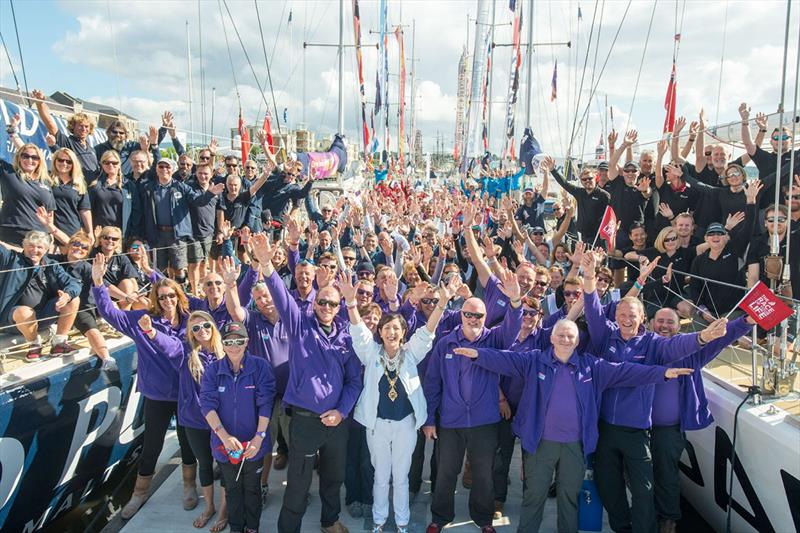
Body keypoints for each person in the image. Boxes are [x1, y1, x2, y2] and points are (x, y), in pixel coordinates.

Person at [451, 320, 697, 533]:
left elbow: (627, 371)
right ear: (551, 338)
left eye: (570, 336)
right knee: (534, 497)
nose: (565, 339)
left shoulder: (592, 366)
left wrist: (662, 373)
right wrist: (479, 355)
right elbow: (507, 360)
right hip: (540, 444)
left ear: (578, 341)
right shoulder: (535, 361)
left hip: (574, 446)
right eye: (560, 335)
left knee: (569, 498)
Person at [580, 252, 731, 533]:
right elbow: (591, 308)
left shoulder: (652, 344)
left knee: (644, 491)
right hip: (604, 431)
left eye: (632, 316)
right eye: (622, 314)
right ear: (615, 316)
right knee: (610, 489)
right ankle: (622, 528)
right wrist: (588, 276)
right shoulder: (604, 337)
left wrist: (702, 337)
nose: (626, 319)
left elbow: (675, 347)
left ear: (642, 319)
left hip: (637, 432)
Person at [251, 233, 361, 533]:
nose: (326, 306)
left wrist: (342, 411)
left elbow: (354, 381)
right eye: (322, 301)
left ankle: (329, 521)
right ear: (314, 304)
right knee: (298, 484)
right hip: (304, 422)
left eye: (332, 303)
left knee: (333, 477)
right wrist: (267, 266)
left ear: (339, 308)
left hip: (336, 423)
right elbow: (283, 300)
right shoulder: (300, 325)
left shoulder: (347, 336)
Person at [341, 272, 456, 533]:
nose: (391, 332)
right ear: (380, 332)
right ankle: (380, 522)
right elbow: (359, 333)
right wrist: (350, 303)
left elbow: (428, 332)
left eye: (397, 328)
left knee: (401, 477)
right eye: (387, 328)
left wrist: (442, 303)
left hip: (405, 424)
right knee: (381, 477)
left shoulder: (411, 353)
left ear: (404, 332)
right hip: (377, 424)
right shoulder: (371, 354)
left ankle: (402, 522)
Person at [90, 253, 197, 519]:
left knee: (187, 444)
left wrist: (152, 271)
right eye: (162, 297)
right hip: (158, 395)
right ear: (156, 300)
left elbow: (185, 349)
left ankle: (189, 486)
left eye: (172, 296)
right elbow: (109, 313)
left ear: (179, 297)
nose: (168, 301)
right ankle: (139, 492)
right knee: (152, 446)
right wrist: (98, 283)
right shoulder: (141, 320)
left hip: (186, 394)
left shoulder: (191, 322)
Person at [423, 271, 523, 533]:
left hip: (484, 422)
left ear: (485, 318)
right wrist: (430, 420)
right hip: (451, 421)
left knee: (483, 475)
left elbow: (512, 329)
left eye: (479, 315)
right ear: (461, 314)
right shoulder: (445, 344)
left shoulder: (494, 340)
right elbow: (433, 384)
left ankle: (483, 520)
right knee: (445, 473)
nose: (473, 319)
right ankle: (440, 518)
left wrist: (515, 302)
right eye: (469, 314)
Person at [649, 308, 752, 533]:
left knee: (666, 474)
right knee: (640, 475)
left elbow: (721, 338)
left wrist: (745, 321)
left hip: (668, 429)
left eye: (670, 322)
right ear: (649, 323)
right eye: (660, 321)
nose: (664, 326)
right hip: (635, 428)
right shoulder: (643, 346)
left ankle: (668, 518)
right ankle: (644, 517)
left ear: (679, 327)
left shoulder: (692, 352)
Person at [143, 310, 229, 531]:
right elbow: (168, 344)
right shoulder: (185, 353)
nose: (202, 331)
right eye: (196, 328)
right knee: (204, 464)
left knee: (225, 464)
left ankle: (223, 510)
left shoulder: (225, 353)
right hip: (194, 420)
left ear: (213, 327)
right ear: (190, 333)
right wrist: (152, 332)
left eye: (206, 326)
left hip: (223, 421)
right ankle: (209, 506)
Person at [221, 257, 292, 502]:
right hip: (265, 395)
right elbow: (234, 311)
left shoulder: (291, 317)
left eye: (268, 295)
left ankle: (295, 490)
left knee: (296, 444)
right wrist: (231, 286)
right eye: (259, 298)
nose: (265, 300)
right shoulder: (252, 320)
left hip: (293, 394)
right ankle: (262, 486)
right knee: (263, 443)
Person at [200, 321, 276, 533]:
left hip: (254, 443)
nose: (234, 346)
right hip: (225, 445)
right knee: (232, 488)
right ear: (222, 344)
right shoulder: (213, 370)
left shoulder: (260, 366)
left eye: (239, 341)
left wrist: (259, 436)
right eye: (229, 342)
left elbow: (265, 404)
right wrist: (223, 436)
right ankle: (236, 527)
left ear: (247, 342)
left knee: (252, 488)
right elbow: (207, 405)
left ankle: (252, 527)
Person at [0, 231, 81, 360]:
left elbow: (74, 283)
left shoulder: (51, 265)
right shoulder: (11, 259)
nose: (34, 250)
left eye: (39, 247)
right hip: (14, 321)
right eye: (31, 245)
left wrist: (67, 295)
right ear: (24, 245)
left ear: (46, 249)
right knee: (25, 312)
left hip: (44, 315)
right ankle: (34, 344)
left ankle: (59, 343)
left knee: (73, 299)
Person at [31, 89, 99, 178]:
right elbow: (50, 125)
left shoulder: (92, 149)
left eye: (86, 126)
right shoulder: (67, 142)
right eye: (80, 125)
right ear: (72, 126)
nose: (83, 129)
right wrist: (40, 103)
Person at [0, 139, 56, 246]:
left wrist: (51, 233)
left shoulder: (46, 182)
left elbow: (50, 212)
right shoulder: (9, 172)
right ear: (19, 158)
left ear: (40, 161)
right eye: (25, 156)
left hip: (39, 238)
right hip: (11, 234)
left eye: (34, 157)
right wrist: (12, 133)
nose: (30, 160)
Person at [88, 150, 143, 238]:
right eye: (107, 162)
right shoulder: (94, 185)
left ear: (119, 164)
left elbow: (136, 211)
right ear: (102, 164)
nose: (111, 165)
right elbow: (87, 210)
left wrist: (133, 234)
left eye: (114, 163)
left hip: (121, 234)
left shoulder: (128, 185)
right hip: (100, 235)